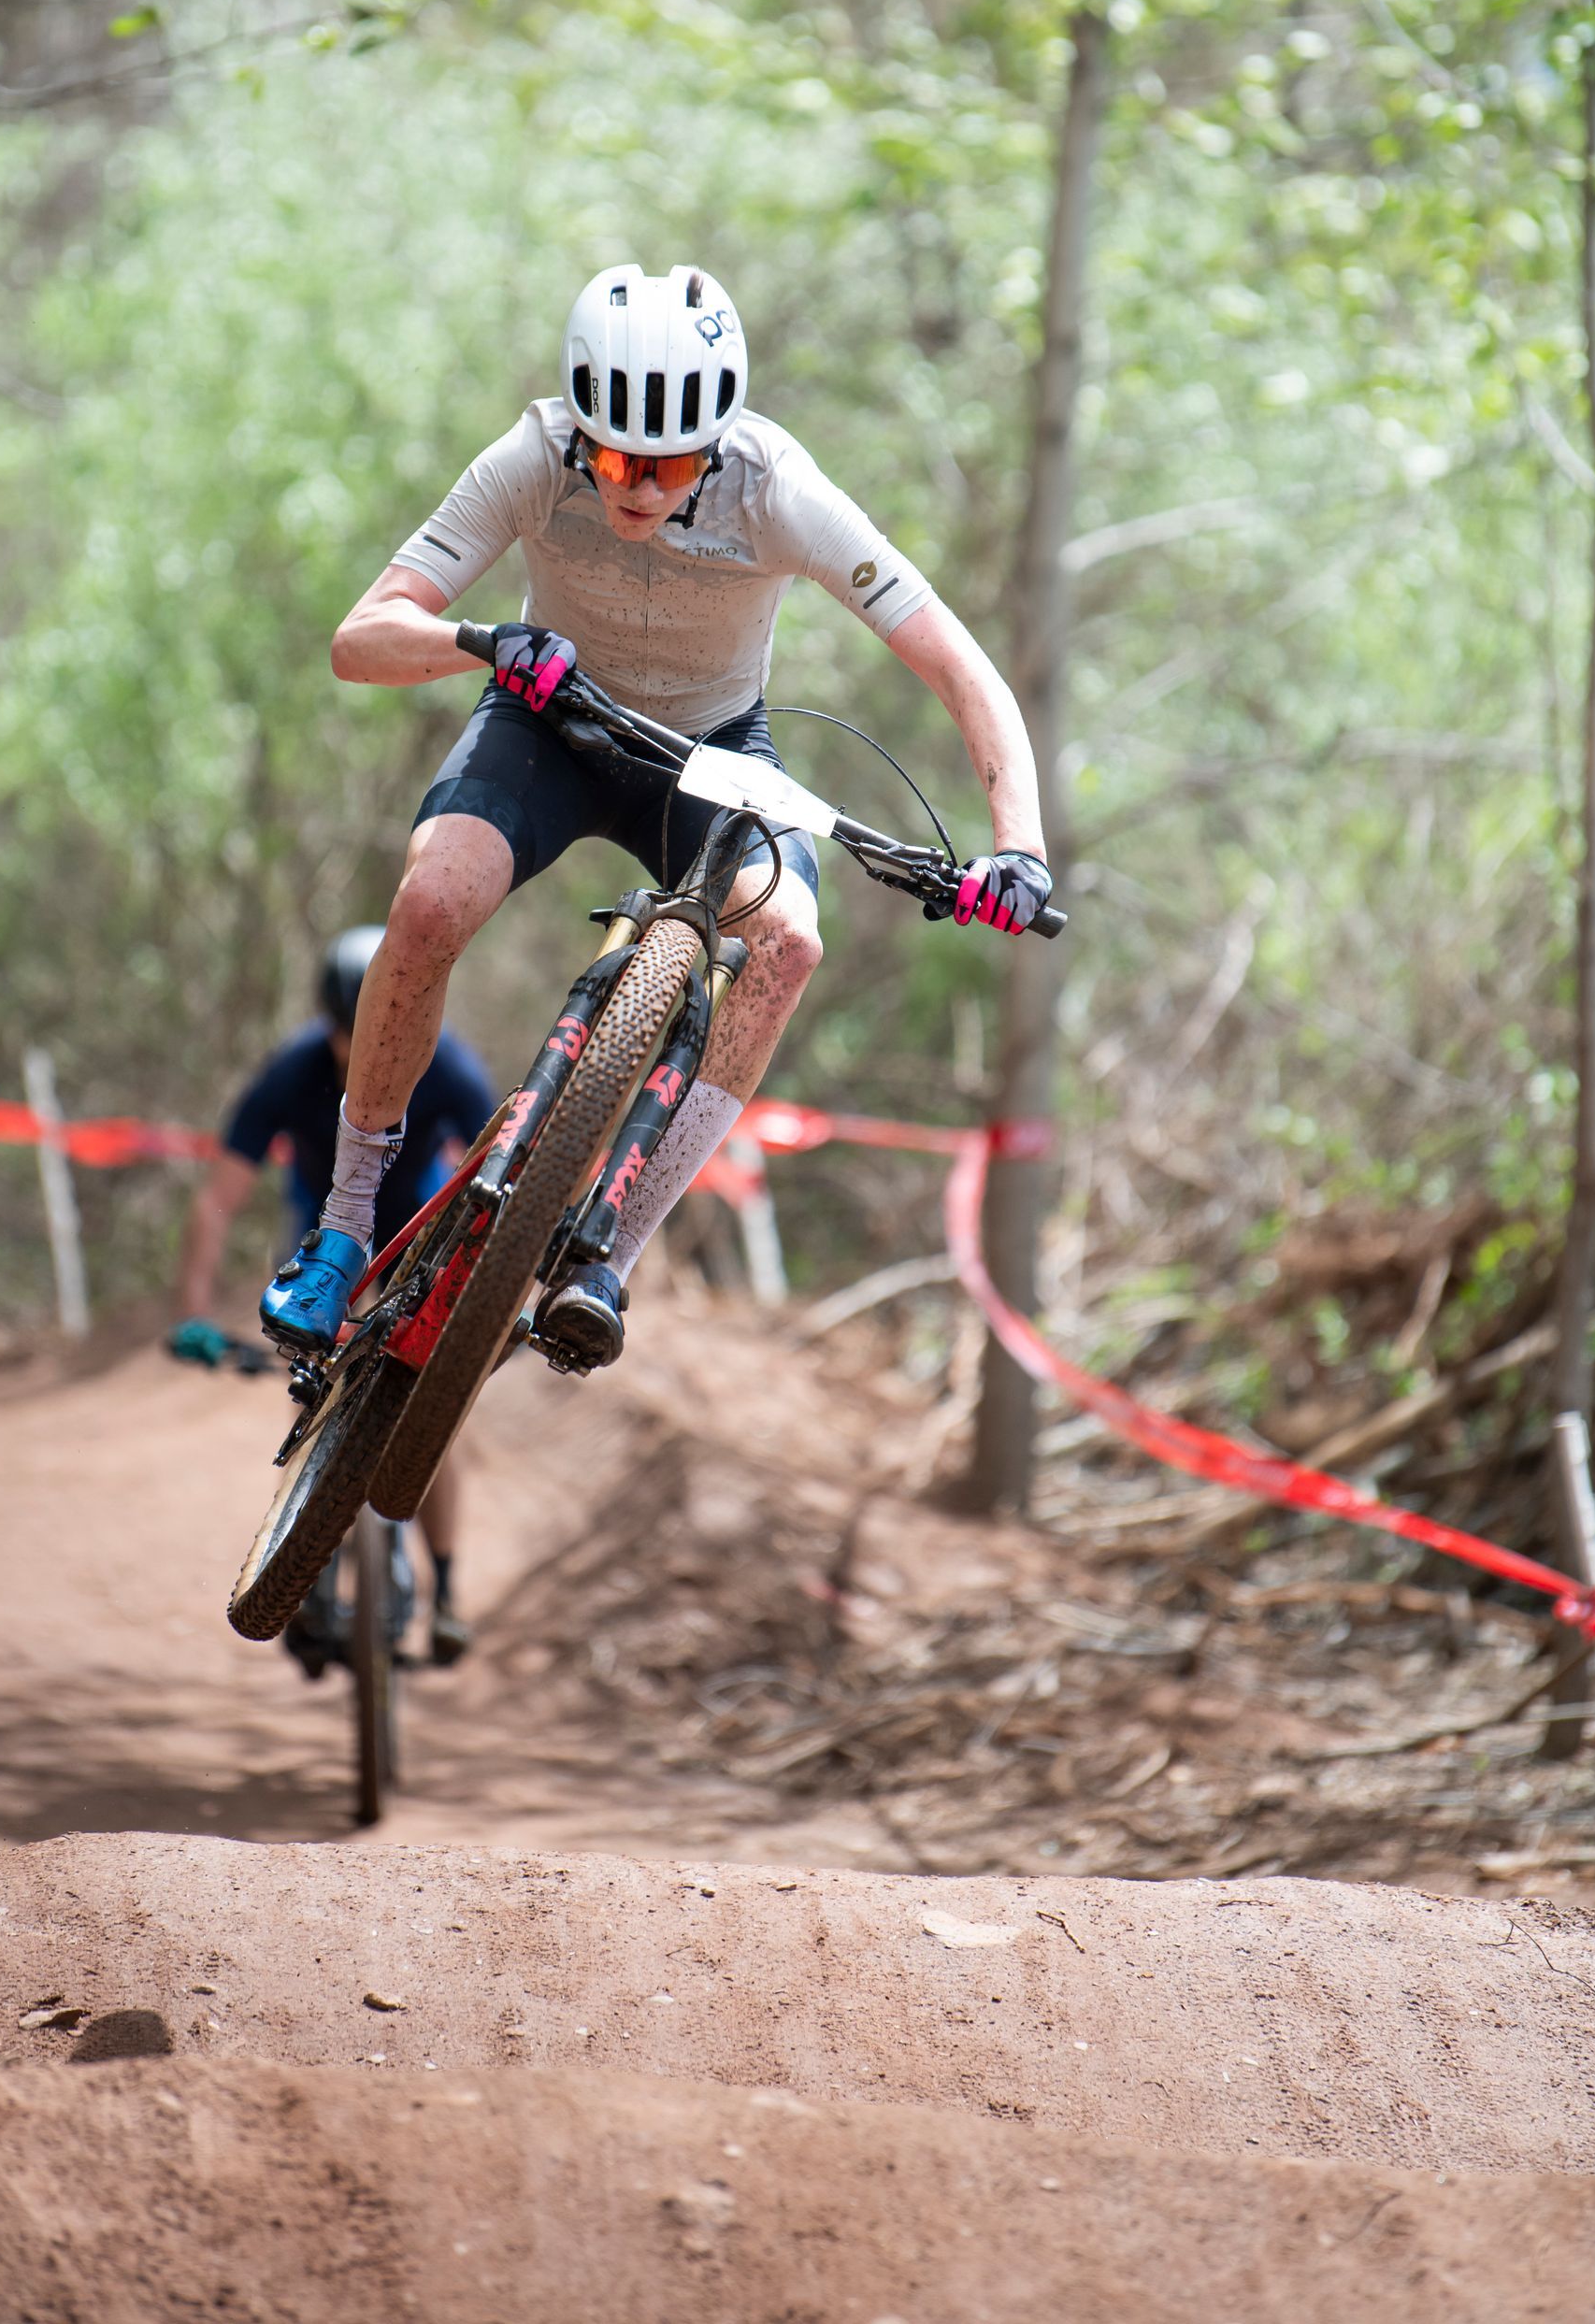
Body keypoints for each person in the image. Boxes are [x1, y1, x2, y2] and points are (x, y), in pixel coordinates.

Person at [260, 262, 1049, 1373]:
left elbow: (964, 670)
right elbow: (362, 638)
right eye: (620, 458)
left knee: (789, 942)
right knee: (433, 898)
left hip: (712, 753)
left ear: (717, 445)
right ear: (582, 434)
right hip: (548, 721)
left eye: (672, 463)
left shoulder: (779, 488)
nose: (640, 487)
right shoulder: (534, 456)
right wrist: (483, 642)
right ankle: (342, 1229)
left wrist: (1020, 848)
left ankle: (604, 1261)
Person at [174, 926, 495, 1667]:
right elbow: (217, 1200)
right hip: (320, 1229)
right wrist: (191, 1312)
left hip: (413, 1227)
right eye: (349, 1034)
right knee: (310, 1375)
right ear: (327, 1027)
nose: (362, 1051)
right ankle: (304, 1557)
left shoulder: (447, 1065)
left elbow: (506, 1166)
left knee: (430, 1407)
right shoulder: (290, 1072)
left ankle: (445, 1588)